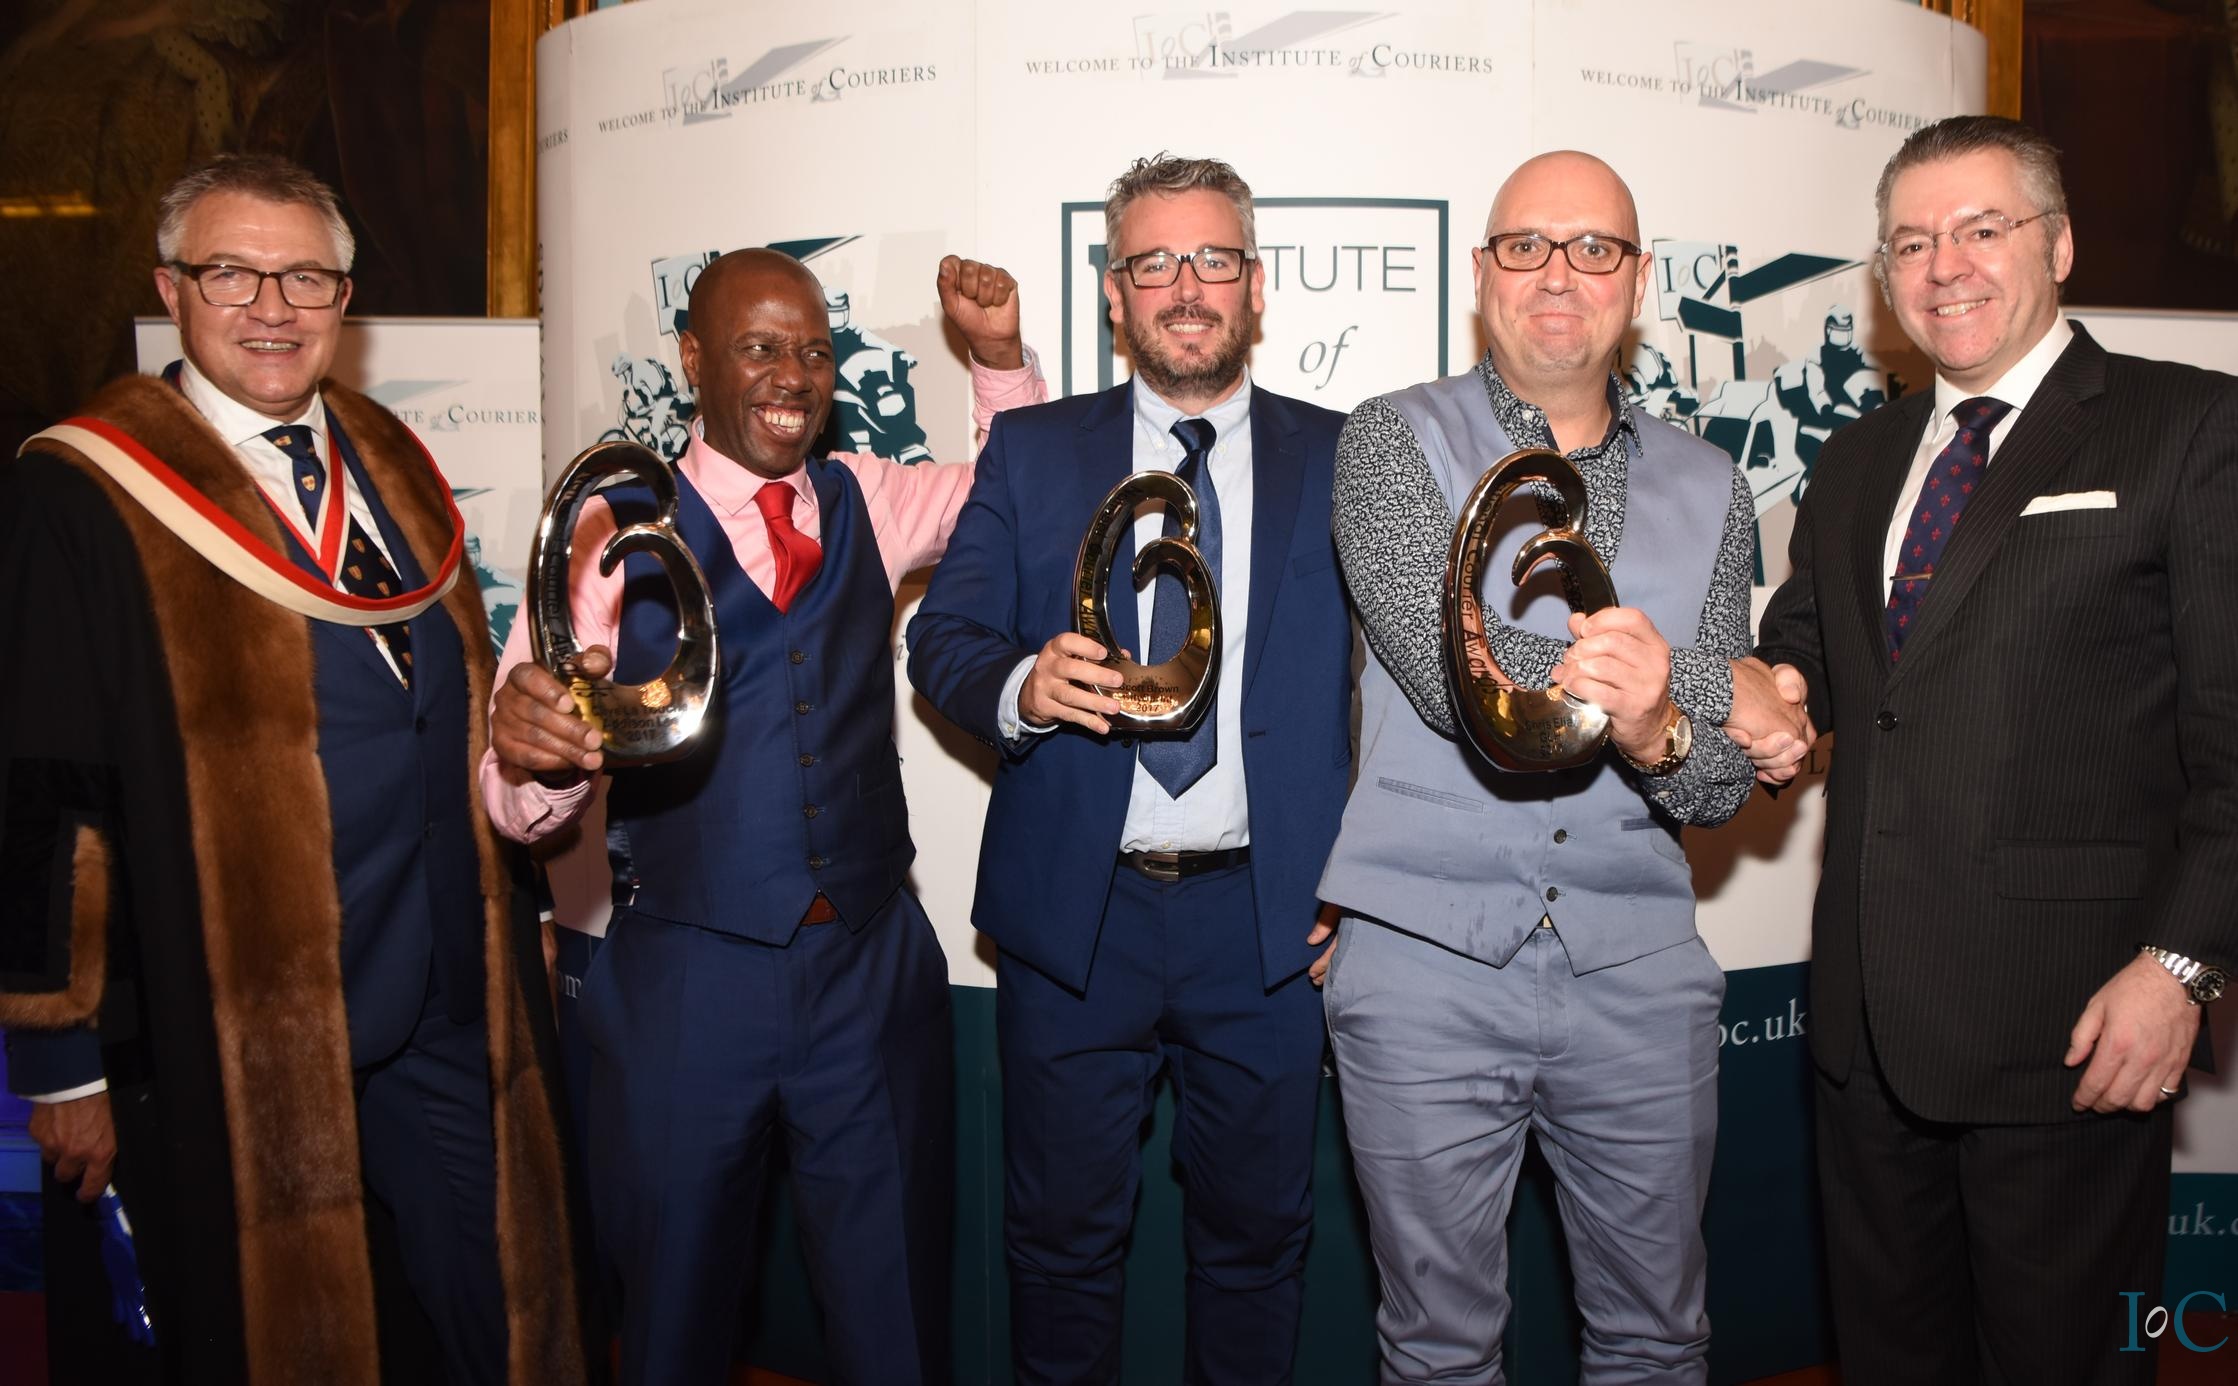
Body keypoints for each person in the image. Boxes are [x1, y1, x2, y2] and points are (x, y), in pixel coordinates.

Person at [0, 153, 580, 1384]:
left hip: (442, 987)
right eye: (231, 273)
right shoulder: (84, 491)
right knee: (285, 1338)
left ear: (344, 299)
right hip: (241, 1012)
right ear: (172, 289)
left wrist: (519, 906)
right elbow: (43, 794)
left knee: (496, 1310)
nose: (272, 307)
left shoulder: (390, 453)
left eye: (305, 277)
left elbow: (453, 705)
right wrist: (60, 1061)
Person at [482, 247, 1042, 1385]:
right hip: (685, 983)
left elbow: (1012, 492)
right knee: (674, 1324)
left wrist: (996, 360)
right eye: (759, 348)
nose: (794, 375)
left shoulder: (866, 495)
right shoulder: (609, 527)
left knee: (895, 1324)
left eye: (814, 352)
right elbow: (514, 799)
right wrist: (538, 759)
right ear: (693, 360)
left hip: (870, 970)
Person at [1743, 114, 2237, 1384]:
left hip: (2072, 1028)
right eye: (1912, 242)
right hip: (1866, 1034)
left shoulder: (2189, 427)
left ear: (2058, 245)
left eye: (1981, 229)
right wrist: (1761, 692)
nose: (1944, 266)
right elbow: (1811, 652)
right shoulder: (1857, 458)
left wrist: (2182, 967)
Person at [1318, 150, 1789, 1384]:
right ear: (1482, 273)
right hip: (1422, 965)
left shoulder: (1713, 484)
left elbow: (1718, 787)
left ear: (1638, 278)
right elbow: (1459, 671)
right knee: (1438, 1347)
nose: (1559, 274)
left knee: (1658, 1339)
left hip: (1638, 972)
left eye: (1595, 248)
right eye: (1527, 246)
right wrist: (1715, 686)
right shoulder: (1390, 440)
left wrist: (1667, 727)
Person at [907, 154, 1352, 1385]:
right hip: (1075, 918)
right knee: (1057, 1250)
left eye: (1213, 258)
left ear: (1255, 285)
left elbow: (1399, 692)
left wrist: (1366, 878)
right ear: (1114, 293)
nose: (1186, 286)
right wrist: (1021, 685)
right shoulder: (1033, 450)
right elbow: (942, 638)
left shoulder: (1344, 455)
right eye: (1154, 262)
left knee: (1259, 1249)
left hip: (1269, 926)